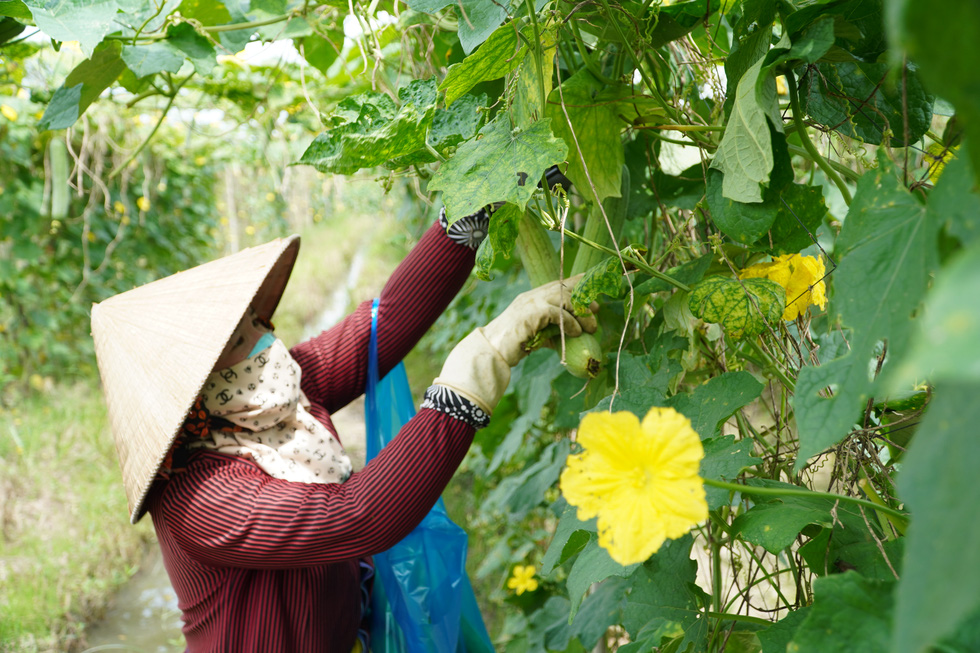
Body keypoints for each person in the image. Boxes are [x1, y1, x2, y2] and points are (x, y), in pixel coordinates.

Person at [91, 198, 596, 652]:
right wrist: (477, 368)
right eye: (241, 340)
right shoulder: (200, 500)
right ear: (197, 388)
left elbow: (384, 324)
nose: (268, 342)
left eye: (258, 322)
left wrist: (473, 204)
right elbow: (359, 514)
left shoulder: (280, 401)